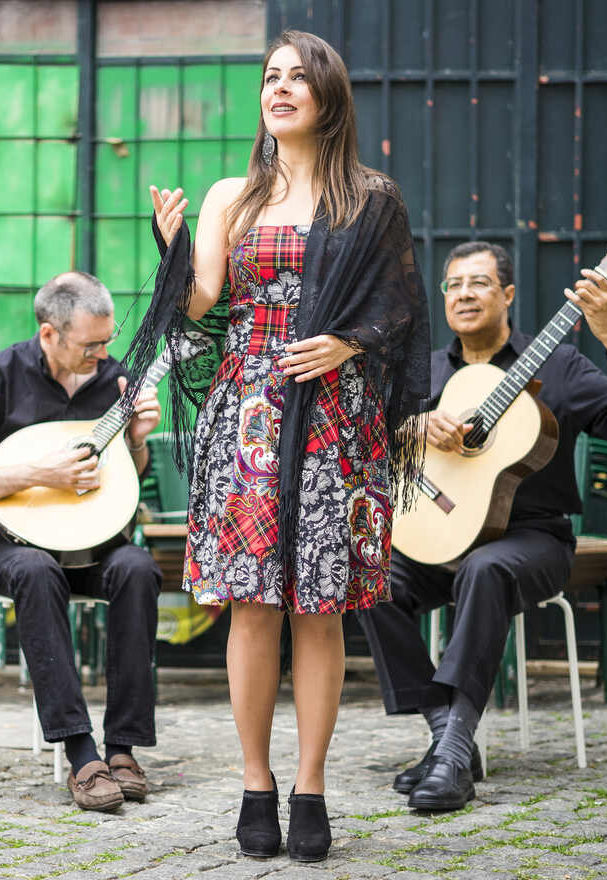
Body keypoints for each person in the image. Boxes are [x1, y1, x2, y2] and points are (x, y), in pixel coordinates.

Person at [128, 31, 430, 862]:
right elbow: (199, 306)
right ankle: (256, 784)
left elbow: (404, 309)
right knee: (253, 601)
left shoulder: (372, 198)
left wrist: (348, 343)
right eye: (272, 77)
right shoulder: (234, 194)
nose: (282, 88)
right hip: (250, 416)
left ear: (329, 96)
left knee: (320, 605)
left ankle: (311, 789)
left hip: (337, 415)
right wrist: (172, 247)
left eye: (300, 77)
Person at [356, 241, 607, 812]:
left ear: (508, 294)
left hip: (532, 540)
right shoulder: (424, 372)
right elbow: (364, 446)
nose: (464, 294)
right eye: (453, 284)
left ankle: (450, 755)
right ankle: (447, 732)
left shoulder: (561, 366)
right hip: (440, 532)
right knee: (366, 572)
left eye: (478, 282)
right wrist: (414, 428)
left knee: (487, 567)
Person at [0, 271, 163, 813]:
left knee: (138, 568)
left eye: (108, 342)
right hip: (12, 548)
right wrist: (37, 473)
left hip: (96, 549)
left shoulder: (114, 380)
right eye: (90, 345)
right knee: (37, 571)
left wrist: (137, 441)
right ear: (49, 333)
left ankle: (123, 750)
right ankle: (82, 756)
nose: (103, 356)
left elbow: (128, 477)